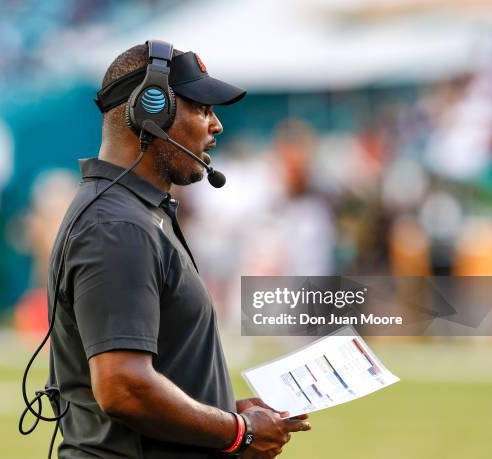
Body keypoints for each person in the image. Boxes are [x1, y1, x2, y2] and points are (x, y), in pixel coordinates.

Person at [45, 42, 311, 458]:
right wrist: (238, 433)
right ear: (152, 111)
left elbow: (156, 373)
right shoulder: (118, 226)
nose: (216, 125)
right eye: (202, 109)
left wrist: (221, 410)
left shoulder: (136, 213)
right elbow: (123, 387)